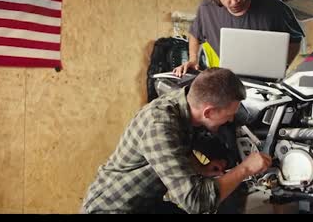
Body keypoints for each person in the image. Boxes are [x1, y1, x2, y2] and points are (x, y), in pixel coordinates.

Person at [81, 68, 272, 214]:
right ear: (208, 112)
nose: (230, 120)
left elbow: (176, 145)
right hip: (115, 208)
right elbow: (196, 201)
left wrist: (200, 167)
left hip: (146, 203)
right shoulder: (159, 124)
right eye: (228, 115)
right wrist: (245, 169)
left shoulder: (183, 102)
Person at [173, 0, 304, 77]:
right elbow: (195, 34)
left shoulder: (273, 5)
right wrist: (193, 59)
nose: (235, 0)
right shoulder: (206, 8)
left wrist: (282, 67)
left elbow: (296, 39)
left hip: (267, 83)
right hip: (231, 81)